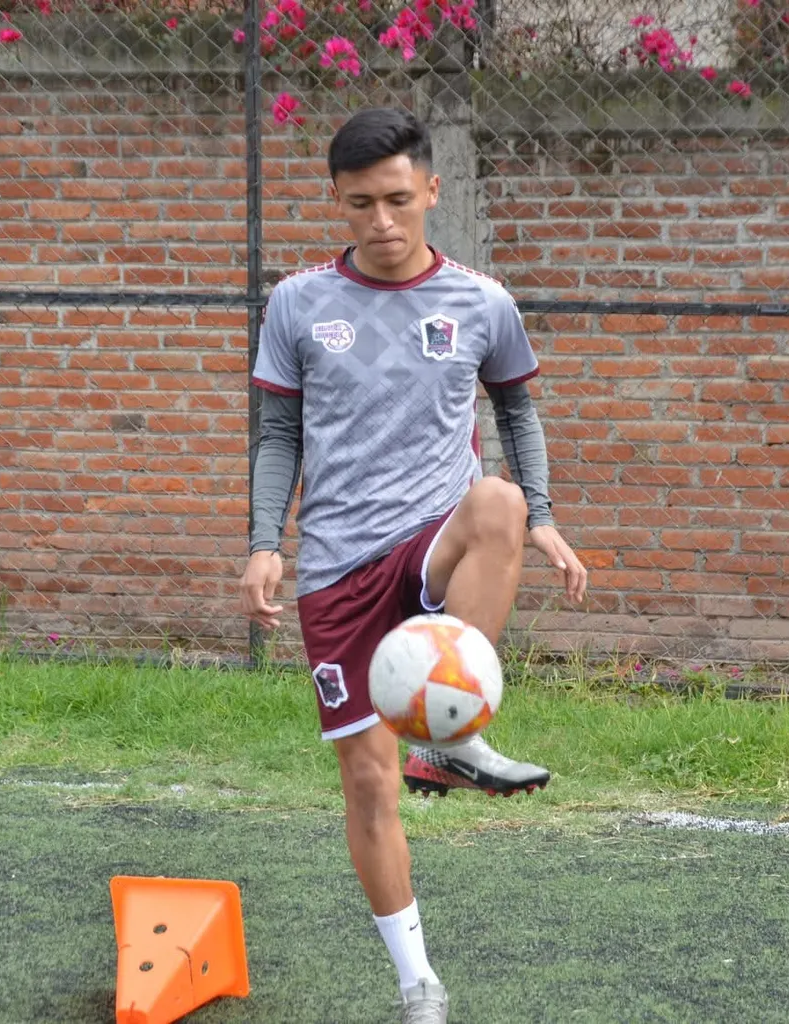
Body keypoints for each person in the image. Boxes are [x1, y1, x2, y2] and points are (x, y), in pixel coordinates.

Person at [239, 105, 588, 1024]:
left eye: (398, 199)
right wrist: (264, 542)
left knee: (499, 502)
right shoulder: (297, 304)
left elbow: (517, 413)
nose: (383, 221)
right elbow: (277, 435)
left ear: (432, 190)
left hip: (433, 542)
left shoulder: (482, 301)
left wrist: (544, 518)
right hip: (337, 566)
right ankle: (417, 983)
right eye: (361, 203)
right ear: (338, 200)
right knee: (367, 782)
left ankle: (451, 733)